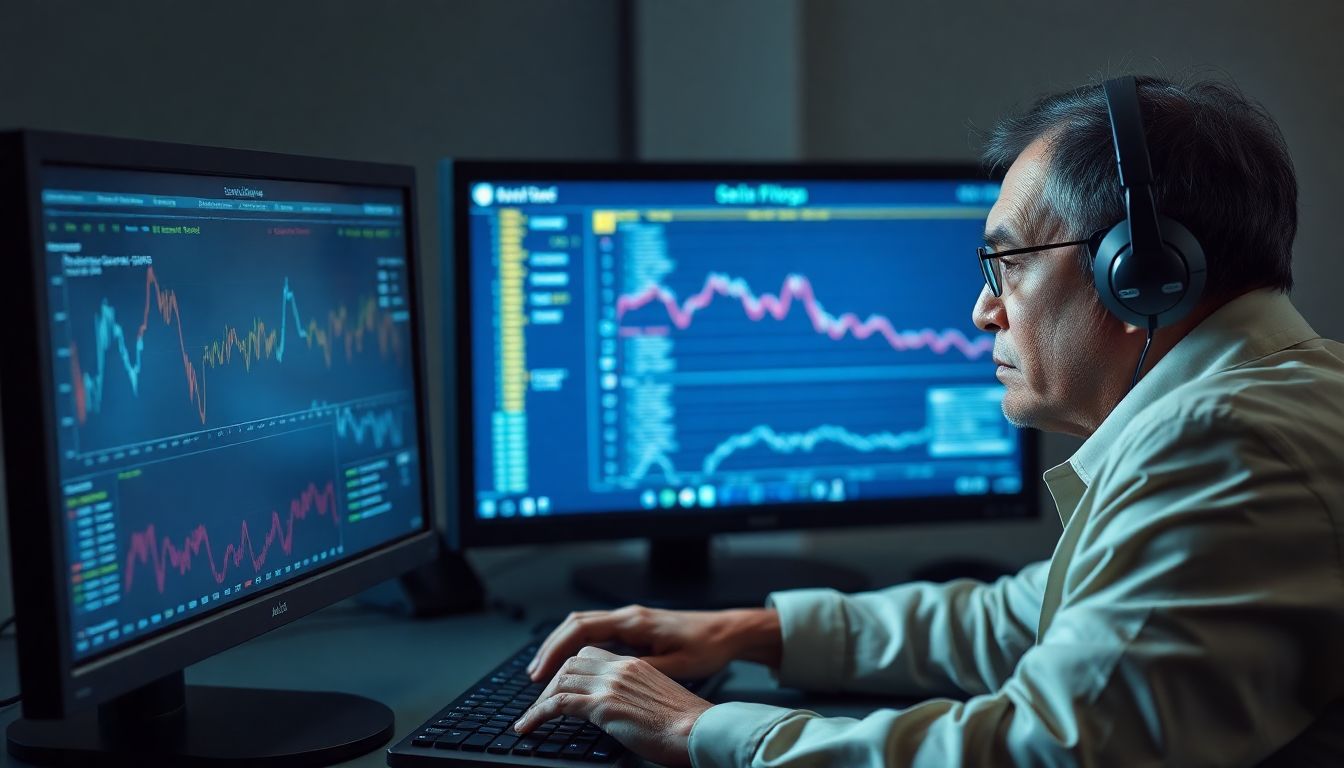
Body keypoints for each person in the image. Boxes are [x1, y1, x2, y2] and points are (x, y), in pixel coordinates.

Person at [512, 75, 1344, 766]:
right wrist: (751, 631)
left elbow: (1041, 752)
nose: (983, 310)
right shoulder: (1269, 399)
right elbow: (1030, 618)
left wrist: (698, 729)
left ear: (1144, 275)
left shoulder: (1225, 446)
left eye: (1007, 263)